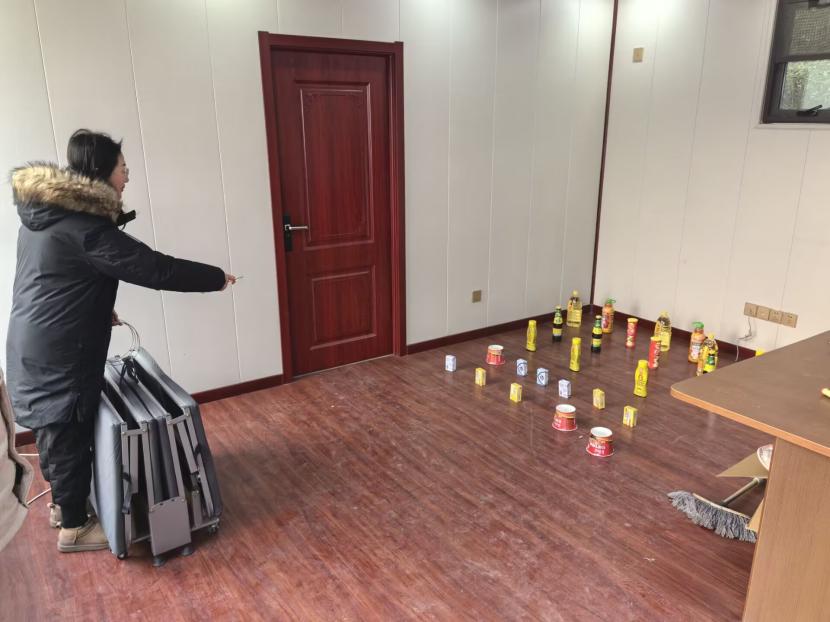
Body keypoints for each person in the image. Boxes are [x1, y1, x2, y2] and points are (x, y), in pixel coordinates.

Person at [5, 129, 236, 553]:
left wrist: (95, 309)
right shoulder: (87, 229)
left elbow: (51, 280)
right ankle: (74, 528)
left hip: (35, 343)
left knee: (55, 431)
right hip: (60, 353)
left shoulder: (46, 216)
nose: (127, 176)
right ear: (102, 172)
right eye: (122, 168)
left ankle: (63, 507)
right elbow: (156, 269)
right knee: (68, 433)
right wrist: (216, 278)